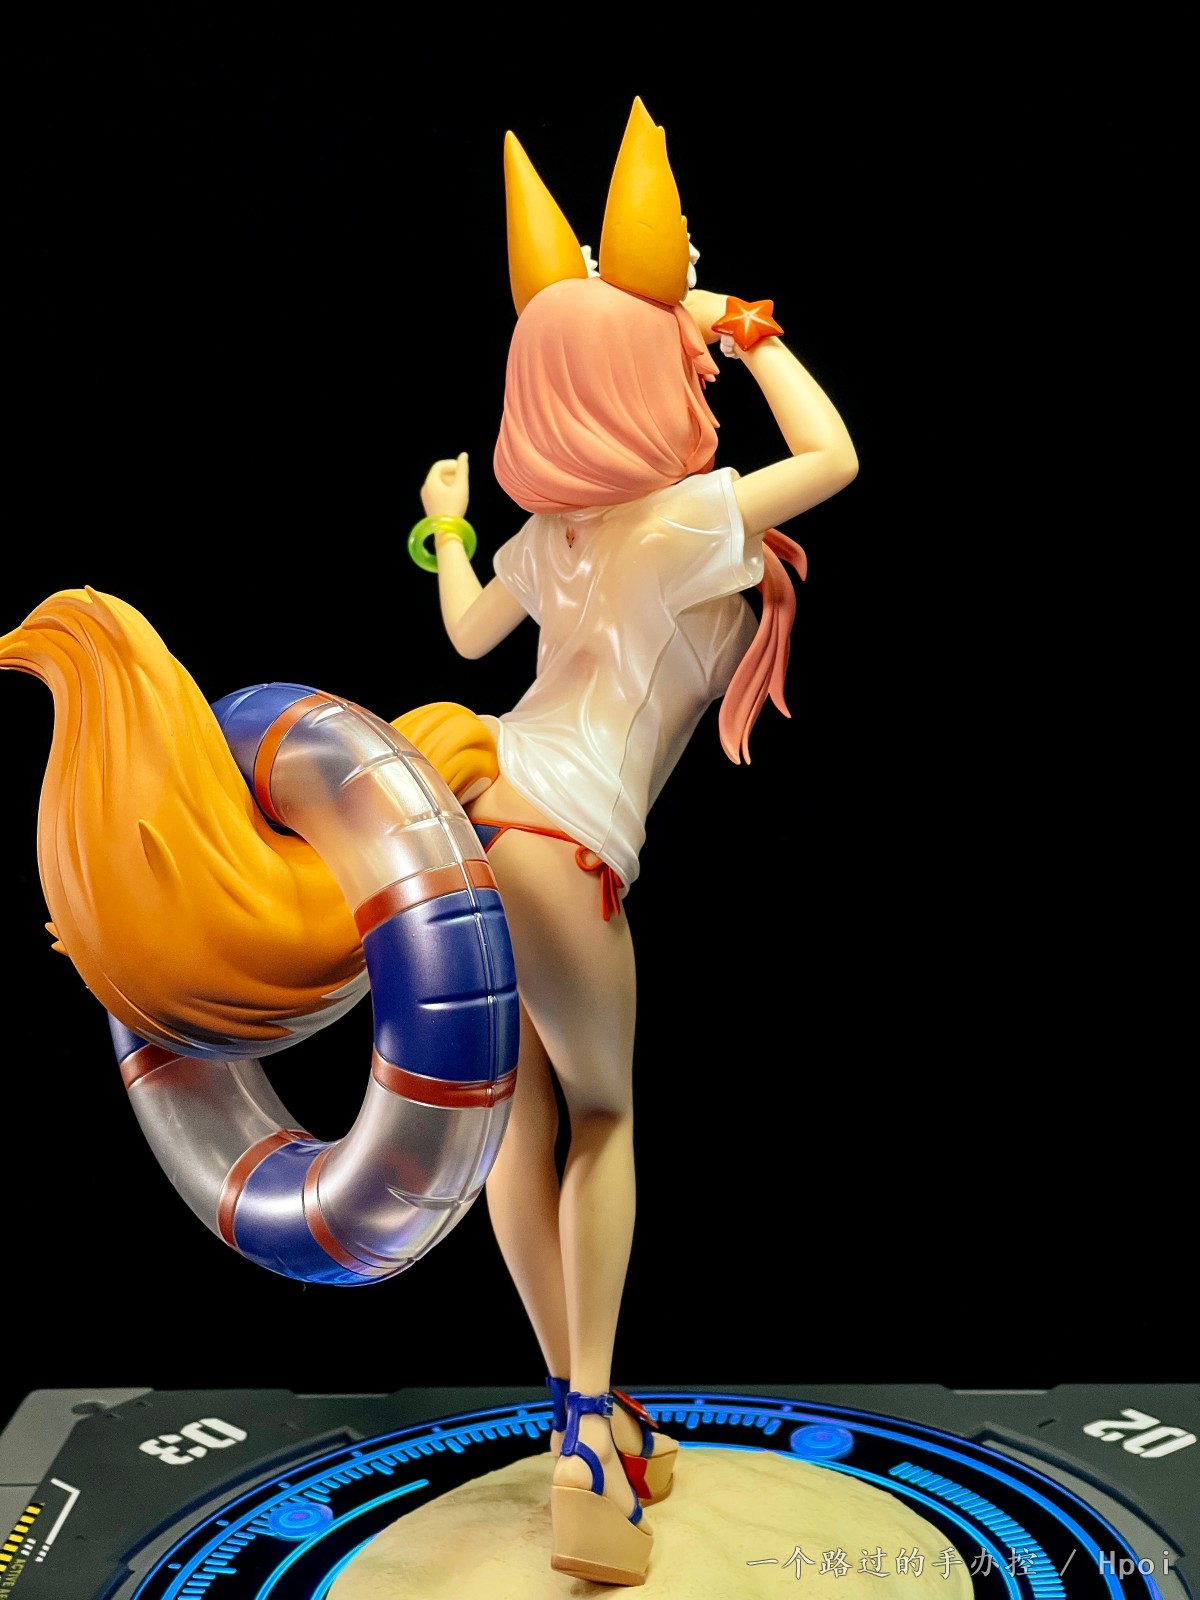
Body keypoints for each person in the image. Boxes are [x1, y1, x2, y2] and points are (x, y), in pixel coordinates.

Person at [405, 97, 858, 1584]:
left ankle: (583, 1414)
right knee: (602, 1118)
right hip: (566, 839)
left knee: (513, 1129)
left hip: (476, 817)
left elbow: (467, 635)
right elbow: (836, 455)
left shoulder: (557, 539)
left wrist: (446, 523)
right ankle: (590, 1446)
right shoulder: (679, 522)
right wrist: (744, 325)